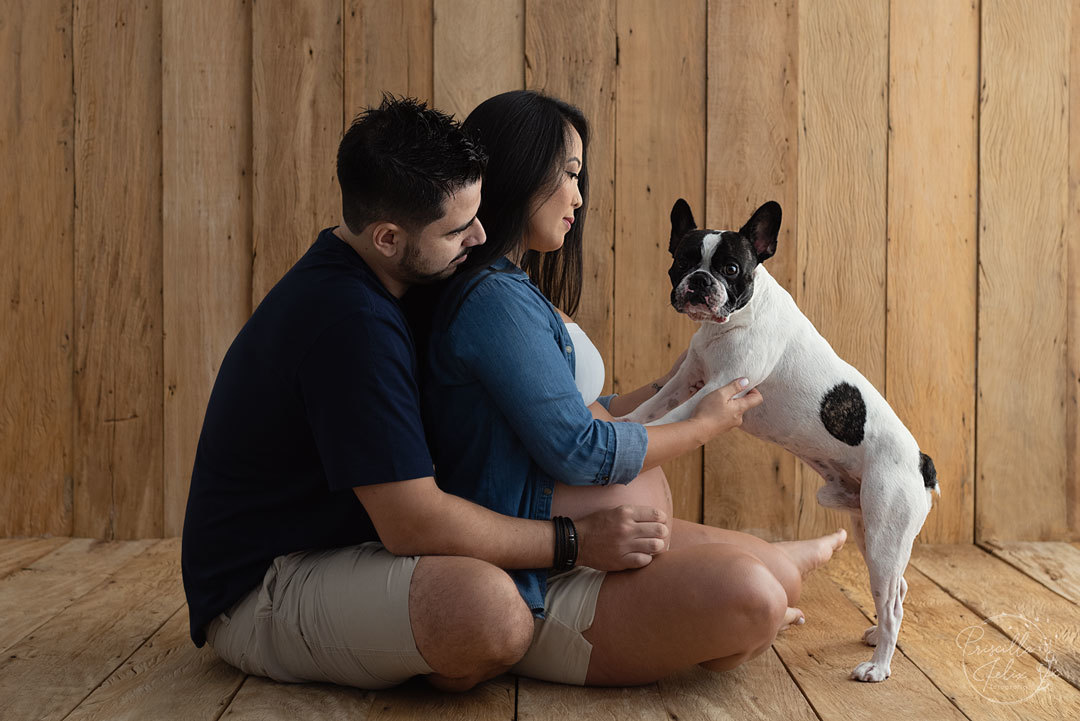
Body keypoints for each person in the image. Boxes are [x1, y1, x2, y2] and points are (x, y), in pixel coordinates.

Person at [180, 96, 671, 693]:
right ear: (388, 236)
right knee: (487, 611)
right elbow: (411, 524)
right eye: (459, 228)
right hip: (261, 587)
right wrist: (575, 543)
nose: (483, 234)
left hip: (344, 548)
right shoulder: (350, 322)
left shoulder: (385, 279)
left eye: (479, 211)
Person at [422, 90, 847, 686]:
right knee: (759, 596)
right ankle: (763, 580)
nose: (578, 197)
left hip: (612, 544)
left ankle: (780, 561)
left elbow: (578, 411)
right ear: (519, 170)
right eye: (569, 175)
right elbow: (579, 449)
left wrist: (676, 384)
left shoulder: (511, 287)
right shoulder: (491, 299)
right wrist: (704, 422)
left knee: (778, 578)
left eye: (580, 178)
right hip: (551, 572)